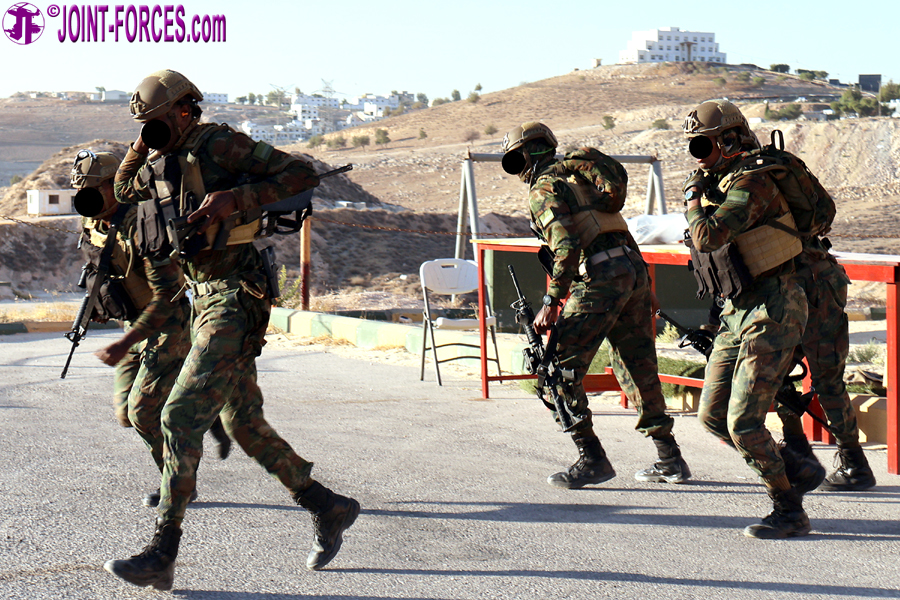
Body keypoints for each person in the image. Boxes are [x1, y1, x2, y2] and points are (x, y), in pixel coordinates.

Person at [103, 70, 358, 591]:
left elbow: (300, 175)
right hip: (202, 298)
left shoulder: (219, 144)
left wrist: (234, 200)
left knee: (176, 415)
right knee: (244, 424)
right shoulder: (160, 162)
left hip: (236, 296)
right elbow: (125, 189)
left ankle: (163, 552)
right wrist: (141, 143)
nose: (153, 132)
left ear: (184, 110)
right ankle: (327, 505)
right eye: (146, 125)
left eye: (158, 121)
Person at [500, 121, 691, 489]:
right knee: (637, 366)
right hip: (630, 272)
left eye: (515, 160)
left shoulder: (544, 189)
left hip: (600, 280)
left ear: (526, 156)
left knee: (557, 370)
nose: (517, 169)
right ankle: (670, 459)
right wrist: (644, 286)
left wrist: (552, 300)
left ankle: (592, 459)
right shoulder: (582, 181)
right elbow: (618, 231)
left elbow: (566, 246)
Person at [681, 99, 825, 539]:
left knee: (743, 423)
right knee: (712, 416)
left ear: (729, 140)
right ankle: (793, 467)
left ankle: (789, 509)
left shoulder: (753, 182)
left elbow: (708, 236)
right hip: (737, 310)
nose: (698, 156)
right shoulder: (721, 184)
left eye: (703, 145)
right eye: (694, 147)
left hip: (774, 308)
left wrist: (691, 199)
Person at [69, 149, 230, 508]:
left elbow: (168, 298)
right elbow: (103, 271)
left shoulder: (144, 225)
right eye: (80, 190)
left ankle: (179, 485)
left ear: (113, 185)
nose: (85, 198)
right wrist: (101, 307)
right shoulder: (93, 223)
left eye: (92, 189)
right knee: (126, 414)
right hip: (134, 325)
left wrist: (121, 343)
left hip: (168, 327)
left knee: (143, 412)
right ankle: (204, 413)